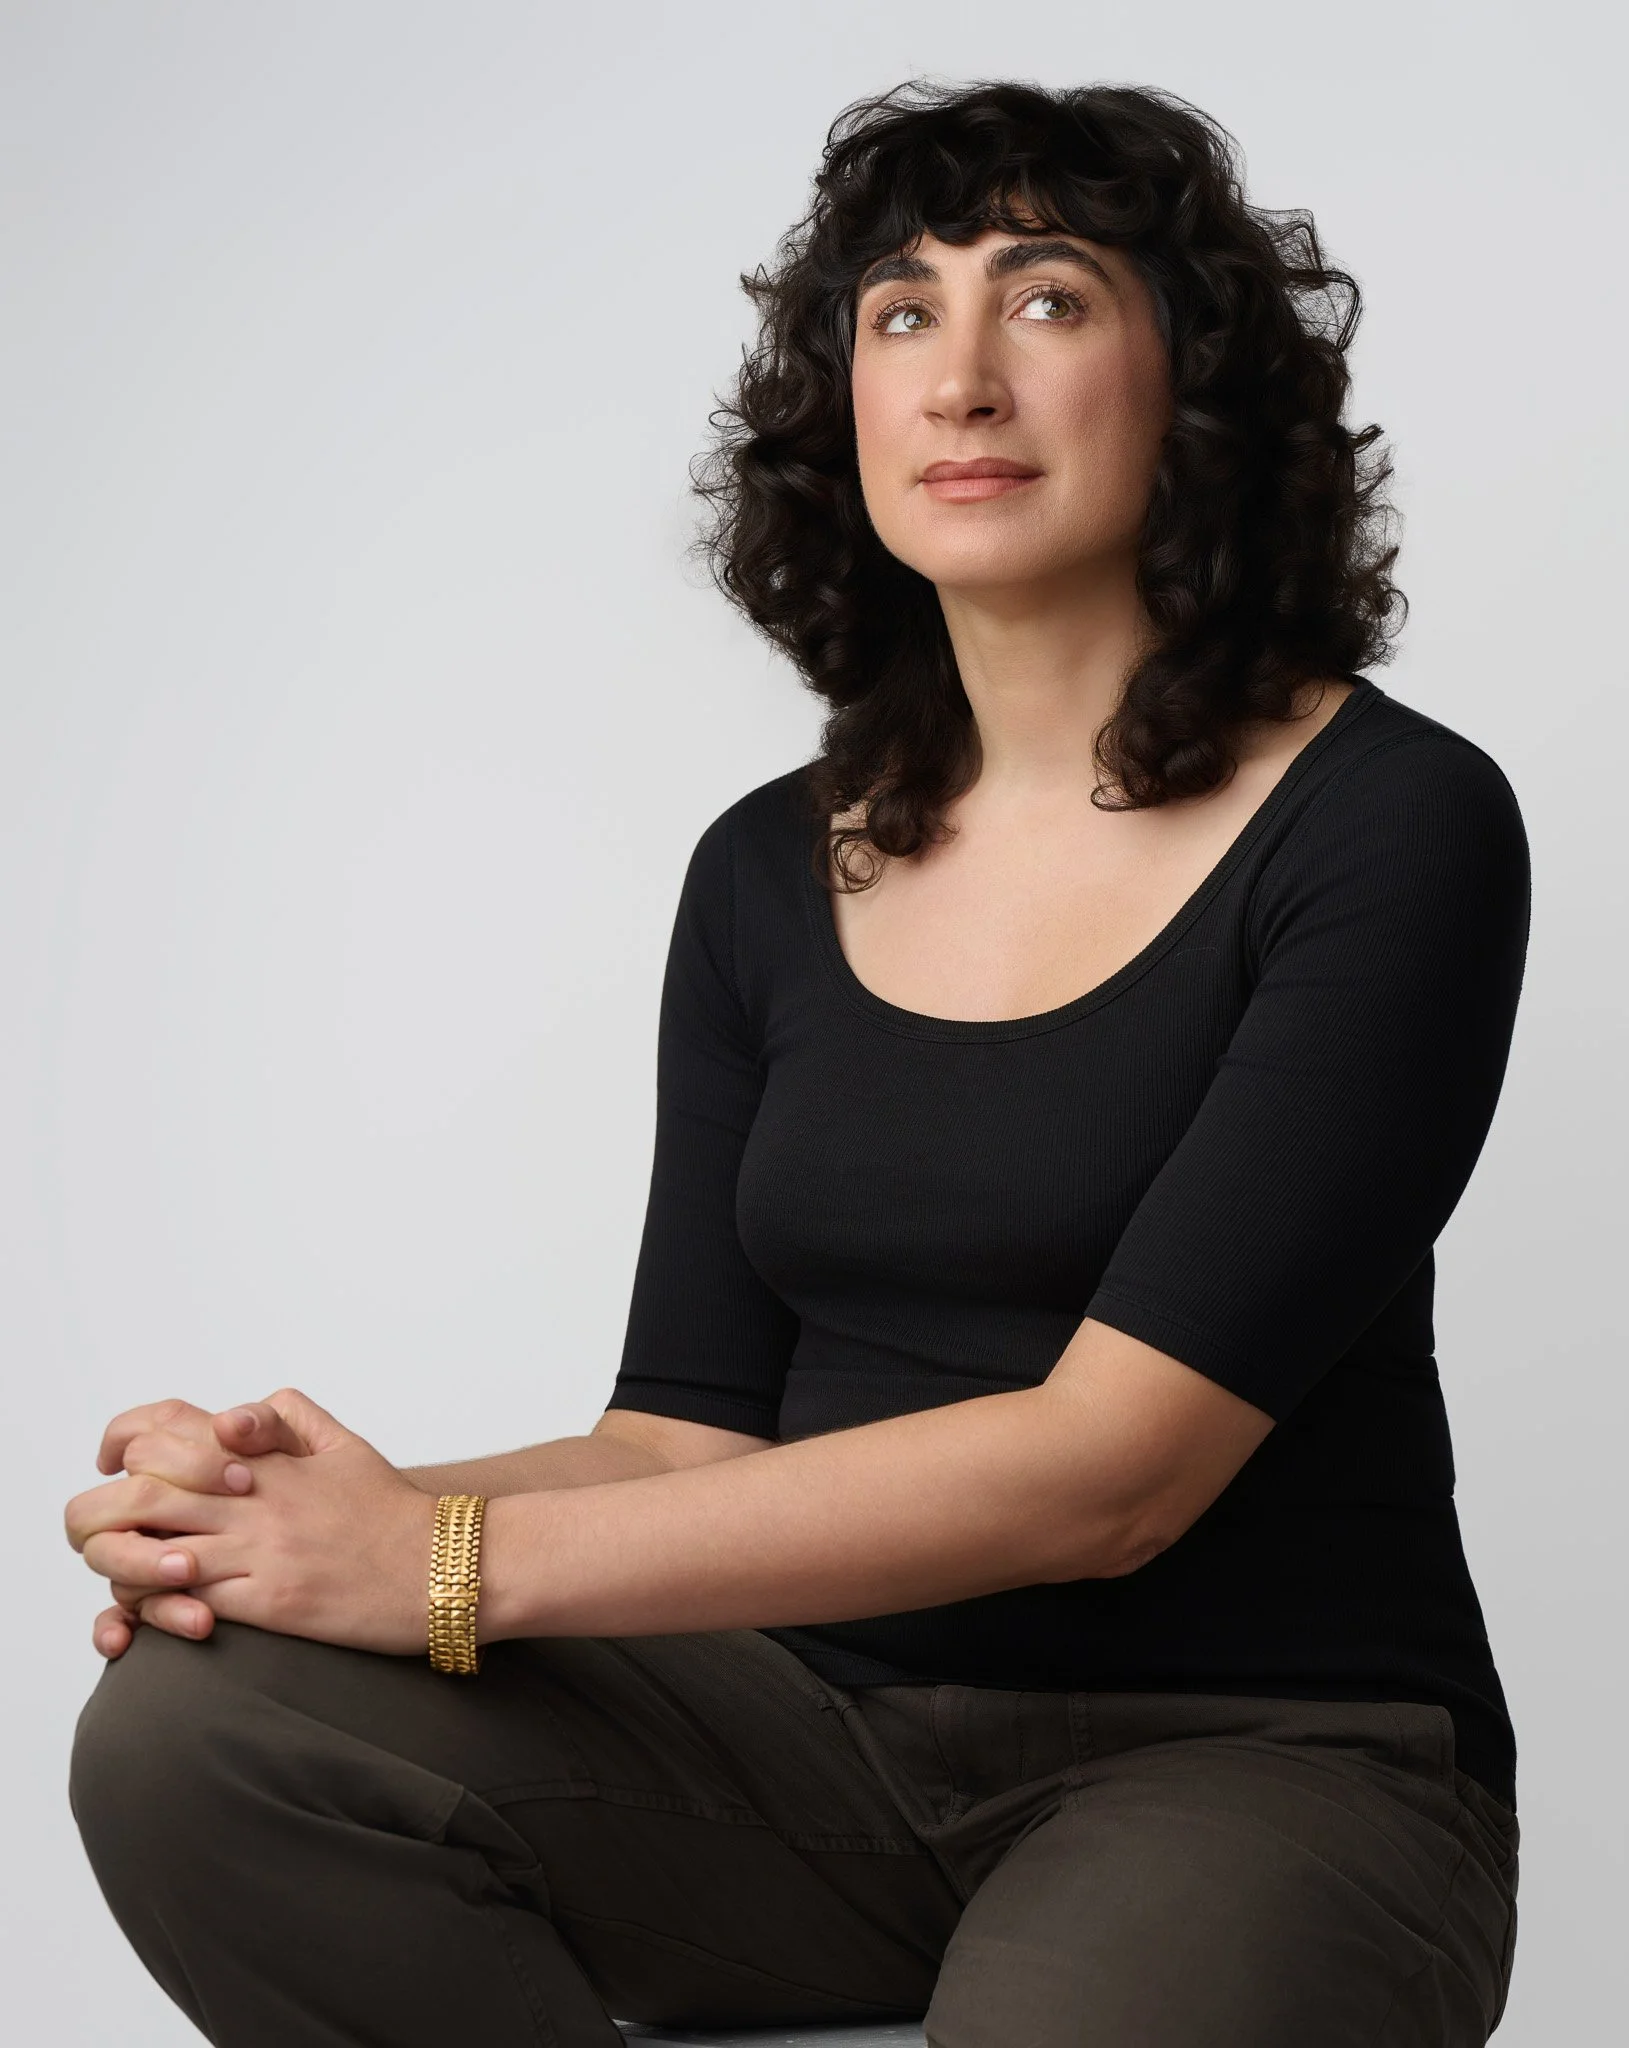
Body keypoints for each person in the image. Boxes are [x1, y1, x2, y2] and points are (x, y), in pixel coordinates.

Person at [65, 78, 1529, 2047]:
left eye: (1050, 299)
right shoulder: (769, 861)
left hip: (1257, 1753)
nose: (963, 377)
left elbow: (1110, 1477)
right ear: (837, 406)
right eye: (902, 314)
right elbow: (683, 1438)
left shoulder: (1388, 822)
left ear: (1193, 387)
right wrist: (282, 1524)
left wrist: (439, 1561)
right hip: (806, 1746)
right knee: (199, 1728)